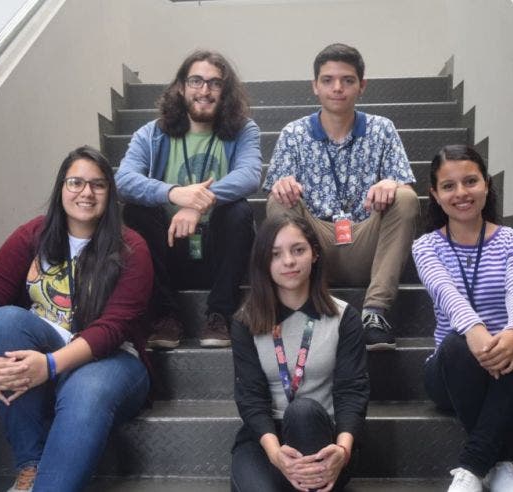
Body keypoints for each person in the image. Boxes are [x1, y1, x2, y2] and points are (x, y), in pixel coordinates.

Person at [0, 146, 153, 491]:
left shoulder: (130, 247)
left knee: (86, 388)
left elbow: (112, 329)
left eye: (98, 184)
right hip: (41, 362)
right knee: (3, 322)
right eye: (75, 182)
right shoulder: (32, 236)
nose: (86, 193)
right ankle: (30, 466)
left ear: (111, 193)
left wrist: (48, 366)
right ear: (61, 187)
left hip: (113, 362)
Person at [264, 43, 419, 351]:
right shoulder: (294, 134)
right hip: (315, 244)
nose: (337, 88)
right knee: (278, 200)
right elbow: (277, 192)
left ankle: (374, 314)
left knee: (405, 198)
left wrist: (392, 184)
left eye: (347, 80)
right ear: (314, 86)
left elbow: (406, 189)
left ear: (361, 86)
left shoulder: (381, 129)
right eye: (328, 80)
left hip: (367, 241)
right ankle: (302, 306)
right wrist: (282, 187)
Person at [412, 144, 513, 492]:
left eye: (470, 181)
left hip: (511, 366)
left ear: (486, 185)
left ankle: (472, 469)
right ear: (435, 194)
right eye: (449, 185)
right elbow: (447, 294)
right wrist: (475, 333)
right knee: (458, 347)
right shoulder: (426, 246)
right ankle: (500, 467)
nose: (461, 193)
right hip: (452, 371)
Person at [115, 49, 261, 349]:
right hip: (169, 248)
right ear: (181, 87)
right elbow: (123, 181)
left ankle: (219, 314)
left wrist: (198, 203)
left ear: (225, 91)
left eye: (215, 83)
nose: (204, 90)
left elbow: (250, 176)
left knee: (239, 211)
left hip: (219, 250)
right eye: (196, 81)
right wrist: (173, 193)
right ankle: (166, 315)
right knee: (136, 213)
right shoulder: (152, 134)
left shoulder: (243, 130)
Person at [230, 213, 369, 492]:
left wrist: (342, 451)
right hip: (266, 440)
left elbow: (352, 391)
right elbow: (251, 397)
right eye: (276, 254)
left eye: (298, 250)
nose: (289, 261)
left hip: (324, 438)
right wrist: (275, 455)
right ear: (264, 263)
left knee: (302, 411)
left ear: (315, 254)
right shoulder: (245, 321)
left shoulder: (344, 317)